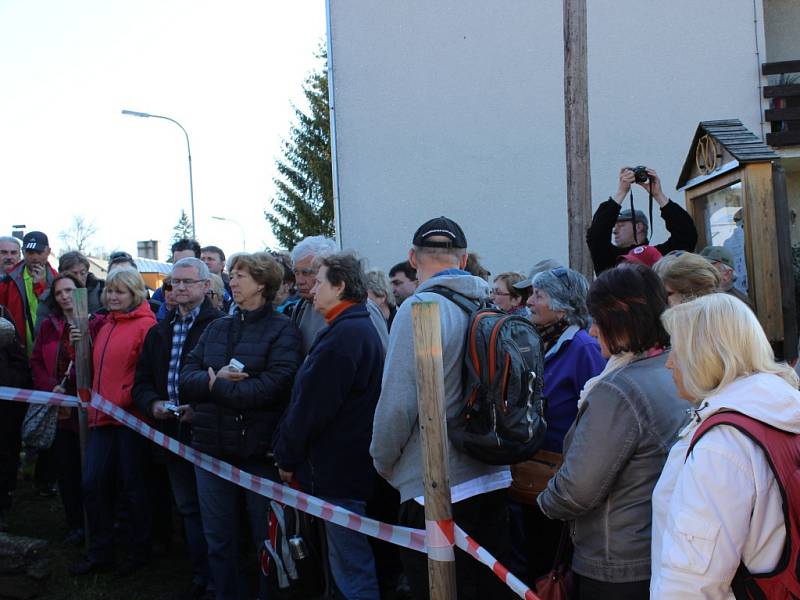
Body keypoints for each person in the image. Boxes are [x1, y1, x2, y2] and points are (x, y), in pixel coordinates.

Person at [371, 216, 512, 600]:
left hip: (434, 484)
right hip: (493, 472)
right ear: (463, 260)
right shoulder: (489, 306)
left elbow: (398, 402)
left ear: (412, 258)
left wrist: (383, 460)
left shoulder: (419, 309)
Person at [537, 264, 688, 600]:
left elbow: (577, 490)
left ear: (621, 321)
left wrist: (543, 501)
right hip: (657, 548)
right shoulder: (672, 368)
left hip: (616, 561)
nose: (591, 332)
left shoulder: (618, 391)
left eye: (596, 321)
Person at [652, 294, 800, 598]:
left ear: (703, 355)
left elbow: (692, 580)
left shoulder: (722, 444)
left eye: (676, 350)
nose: (668, 362)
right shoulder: (779, 405)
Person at [180, 252, 301, 600]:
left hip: (256, 456)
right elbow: (184, 379)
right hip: (210, 452)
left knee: (265, 541)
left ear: (263, 283)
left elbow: (271, 388)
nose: (231, 281)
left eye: (240, 276)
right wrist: (212, 385)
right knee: (219, 539)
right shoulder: (217, 327)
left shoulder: (283, 331)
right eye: (231, 275)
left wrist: (215, 386)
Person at [274, 253, 383, 600]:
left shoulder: (345, 336)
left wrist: (286, 458)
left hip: (338, 469)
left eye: (319, 281)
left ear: (339, 287)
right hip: (340, 465)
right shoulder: (347, 327)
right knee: (342, 561)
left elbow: (312, 407)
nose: (312, 287)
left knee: (350, 564)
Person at [133, 257, 224, 600]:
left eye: (187, 282)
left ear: (205, 286)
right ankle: (200, 574)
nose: (180, 288)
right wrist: (152, 404)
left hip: (206, 433)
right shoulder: (160, 330)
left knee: (214, 512)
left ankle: (220, 579)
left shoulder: (220, 326)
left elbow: (225, 382)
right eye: (174, 283)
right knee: (186, 507)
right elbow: (141, 380)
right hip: (170, 432)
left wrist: (199, 411)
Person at [513, 267, 605, 579]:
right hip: (534, 474)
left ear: (562, 305)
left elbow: (596, 417)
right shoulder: (537, 342)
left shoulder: (583, 348)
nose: (529, 302)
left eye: (539, 295)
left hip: (563, 478)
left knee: (554, 563)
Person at [70, 267, 157, 576]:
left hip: (130, 420)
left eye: (120, 291)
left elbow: (147, 374)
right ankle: (101, 552)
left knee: (134, 488)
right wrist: (78, 342)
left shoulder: (147, 327)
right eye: (109, 290)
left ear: (134, 293)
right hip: (102, 419)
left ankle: (138, 554)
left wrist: (122, 400)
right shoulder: (105, 325)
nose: (112, 296)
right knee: (93, 484)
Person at [30, 274, 84, 545]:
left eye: (69, 290)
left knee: (91, 469)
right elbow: (37, 360)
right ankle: (74, 522)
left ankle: (96, 521)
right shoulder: (49, 327)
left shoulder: (95, 323)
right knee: (66, 467)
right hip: (59, 409)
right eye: (59, 292)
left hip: (87, 409)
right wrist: (51, 386)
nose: (64, 296)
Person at [586, 167, 698, 274]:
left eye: (621, 225)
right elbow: (596, 235)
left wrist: (658, 194)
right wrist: (621, 192)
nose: (614, 231)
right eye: (614, 226)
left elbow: (687, 235)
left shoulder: (659, 257)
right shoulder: (610, 258)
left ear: (639, 227)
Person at [290, 235, 388, 355]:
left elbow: (383, 356)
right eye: (296, 272)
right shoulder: (301, 308)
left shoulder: (363, 307)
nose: (299, 281)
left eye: (306, 272)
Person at [0, 231, 58, 355]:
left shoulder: (58, 280)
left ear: (48, 251)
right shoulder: (8, 280)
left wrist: (41, 286)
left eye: (39, 252)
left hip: (50, 352)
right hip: (16, 353)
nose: (35, 257)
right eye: (30, 252)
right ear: (24, 252)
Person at [0, 305, 31, 532]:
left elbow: (20, 362)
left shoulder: (2, 315)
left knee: (4, 455)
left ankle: (2, 506)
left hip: (4, 407)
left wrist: (7, 384)